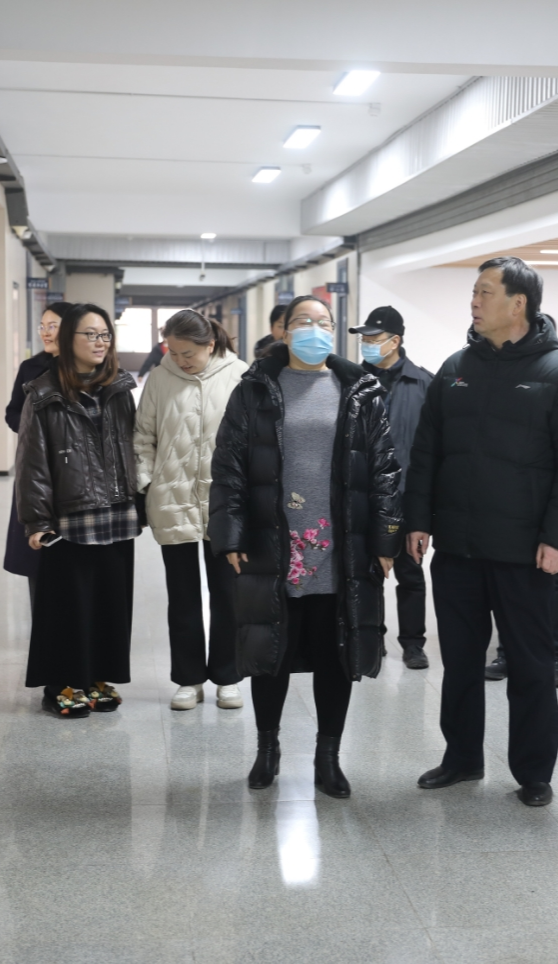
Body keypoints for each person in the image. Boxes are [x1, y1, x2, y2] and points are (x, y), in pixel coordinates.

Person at [406, 257, 558, 808]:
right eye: (474, 291)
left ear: (519, 304)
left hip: (525, 552)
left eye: (485, 292)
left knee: (531, 666)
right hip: (459, 547)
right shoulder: (455, 368)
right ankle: (462, 757)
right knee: (460, 662)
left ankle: (534, 773)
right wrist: (418, 519)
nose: (474, 301)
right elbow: (426, 452)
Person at [210, 294, 401, 798]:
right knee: (269, 648)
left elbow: (384, 469)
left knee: (335, 652)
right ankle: (267, 749)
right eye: (302, 321)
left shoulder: (359, 390)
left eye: (323, 322)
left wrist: (385, 540)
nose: (313, 329)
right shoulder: (255, 388)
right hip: (273, 542)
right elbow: (228, 465)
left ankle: (328, 756)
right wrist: (230, 533)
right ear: (284, 330)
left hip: (340, 545)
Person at [15, 303, 141, 718]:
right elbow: (32, 461)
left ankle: (98, 676)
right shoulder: (43, 392)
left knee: (110, 603)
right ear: (69, 339)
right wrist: (36, 520)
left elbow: (133, 447)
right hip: (71, 516)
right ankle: (62, 683)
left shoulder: (119, 388)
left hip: (117, 514)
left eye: (105, 334)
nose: (100, 342)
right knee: (68, 605)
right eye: (91, 334)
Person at [135, 309, 248, 711]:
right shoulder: (160, 378)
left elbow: (253, 441)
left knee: (228, 595)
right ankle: (188, 679)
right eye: (174, 352)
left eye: (189, 353)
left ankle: (228, 677)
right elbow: (142, 436)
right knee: (182, 598)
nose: (181, 360)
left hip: (226, 505)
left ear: (210, 345)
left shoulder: (239, 375)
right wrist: (148, 483)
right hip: (172, 499)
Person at [350, 304, 434, 670]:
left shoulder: (424, 384)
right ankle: (374, 639)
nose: (367, 344)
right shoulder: (352, 382)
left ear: (395, 341)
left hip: (406, 496)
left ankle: (413, 644)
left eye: (374, 338)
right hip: (363, 495)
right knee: (367, 573)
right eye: (364, 338)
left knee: (410, 573)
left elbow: (432, 449)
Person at [3, 301, 72, 598]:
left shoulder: (85, 369)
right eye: (42, 326)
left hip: (74, 473)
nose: (45, 332)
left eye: (52, 326)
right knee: (37, 553)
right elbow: (13, 412)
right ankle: (42, 622)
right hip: (35, 468)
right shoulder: (30, 368)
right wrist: (34, 429)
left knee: (71, 555)